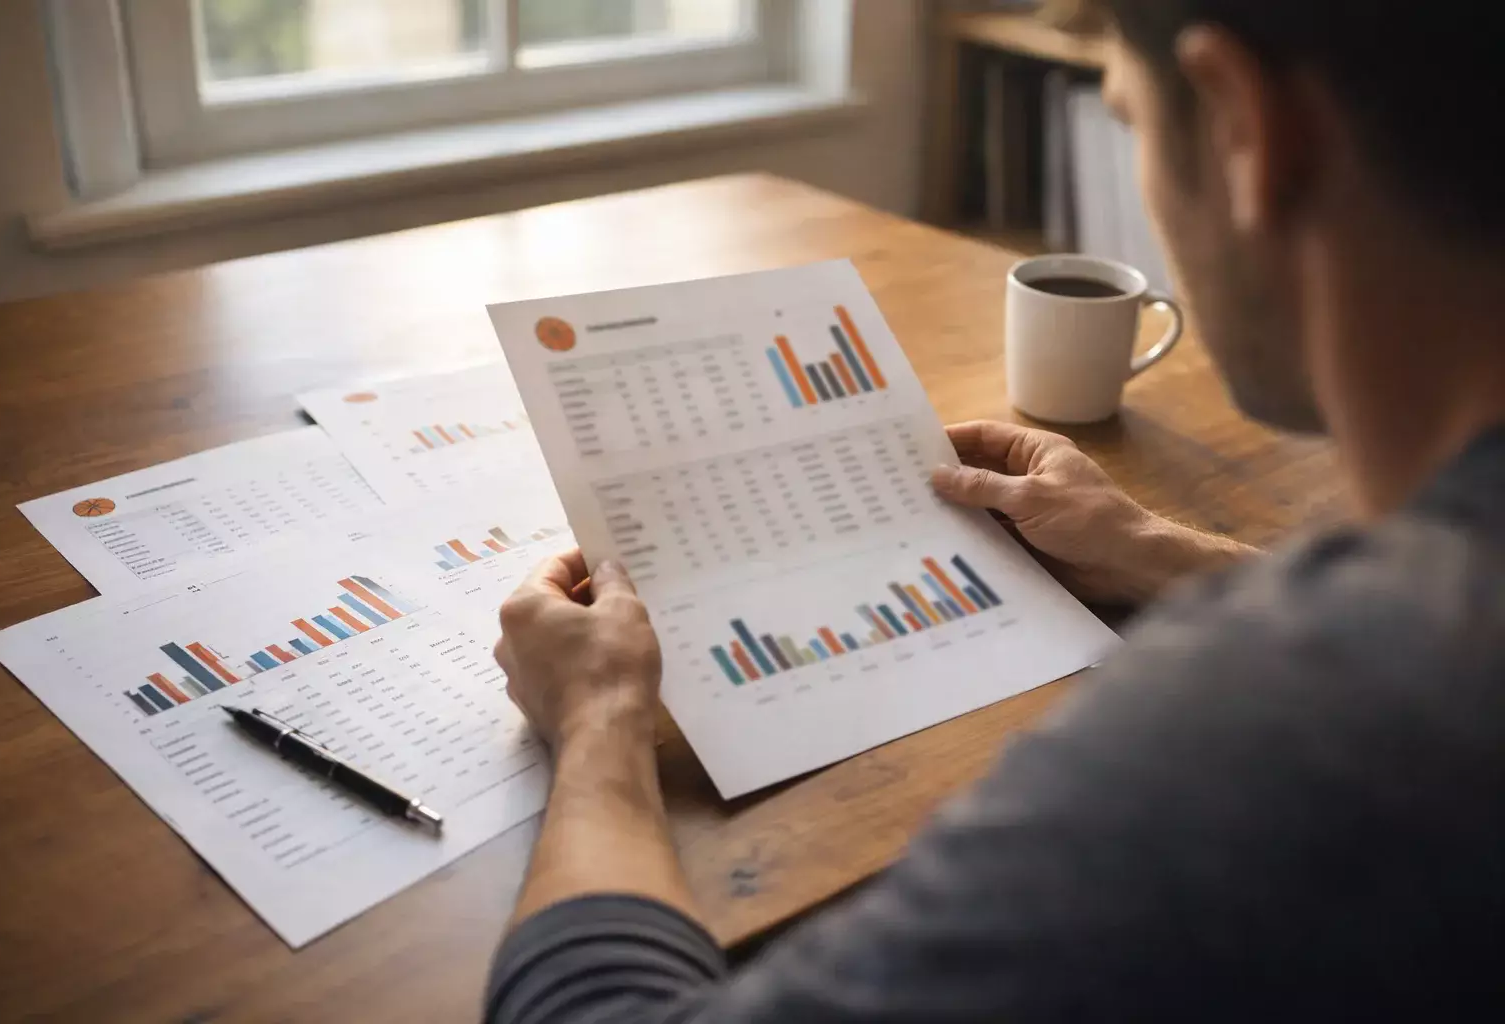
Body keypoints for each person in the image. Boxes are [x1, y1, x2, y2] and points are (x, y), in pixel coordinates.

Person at [485, 0, 1505, 1019]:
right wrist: (1152, 548)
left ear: (1246, 130)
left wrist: (601, 723)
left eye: (1128, 116)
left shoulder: (1264, 739)